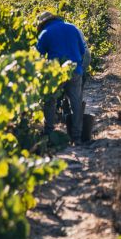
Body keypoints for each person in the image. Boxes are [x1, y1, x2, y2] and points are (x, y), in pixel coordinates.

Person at [36, 11, 87, 145]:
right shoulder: (72, 28)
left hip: (56, 72)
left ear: (43, 23)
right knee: (76, 103)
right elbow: (82, 51)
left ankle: (49, 133)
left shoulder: (45, 33)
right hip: (75, 69)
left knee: (50, 101)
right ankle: (77, 137)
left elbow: (37, 56)